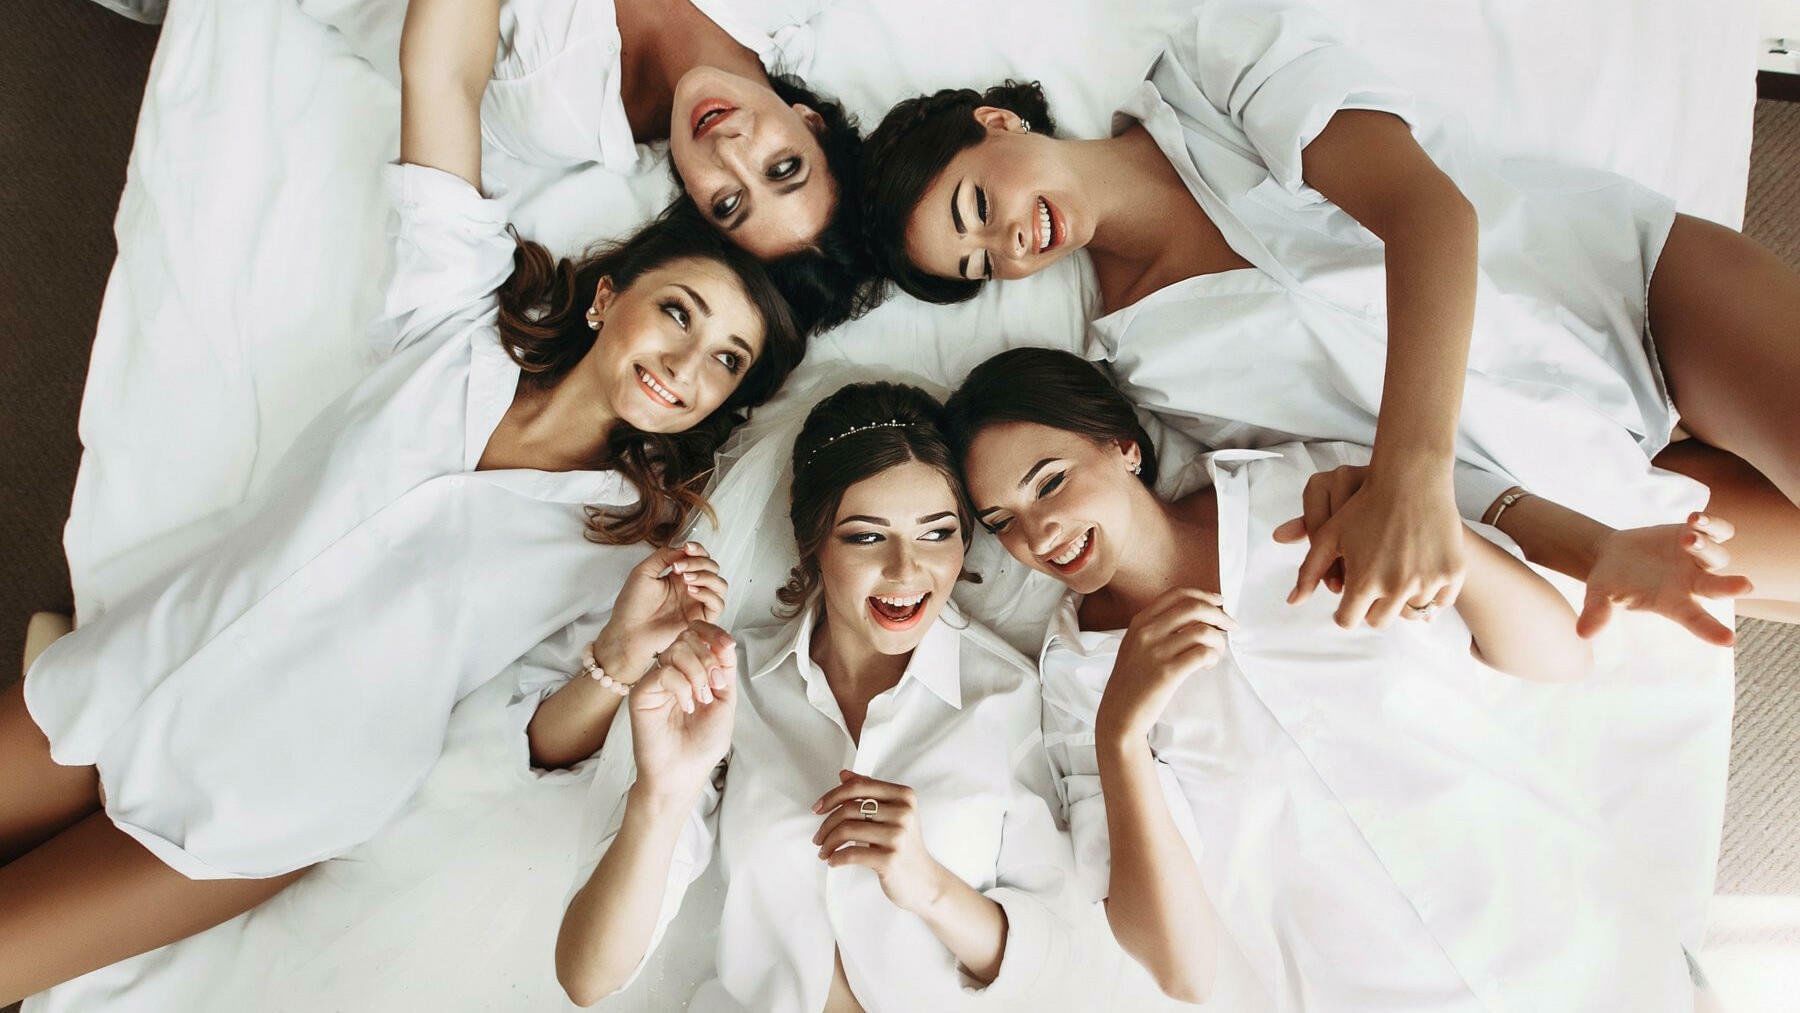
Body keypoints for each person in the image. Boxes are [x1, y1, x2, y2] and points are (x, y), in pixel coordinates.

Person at [0, 0, 805, 1000]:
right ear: (610, 297)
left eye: (724, 362)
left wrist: (619, 657)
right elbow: (441, 69)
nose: (685, 363)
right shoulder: (451, 320)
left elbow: (545, 737)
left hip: (270, 793)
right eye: (679, 313)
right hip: (144, 662)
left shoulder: (630, 545)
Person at [861, 0, 1800, 630]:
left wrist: (1411, 473)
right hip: (1598, 481)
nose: (1014, 247)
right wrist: (1585, 542)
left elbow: (1430, 217)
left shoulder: (1208, 78)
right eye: (983, 266)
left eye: (978, 208)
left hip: (1628, 294)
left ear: (996, 124)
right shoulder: (1150, 366)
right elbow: (1365, 484)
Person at [940, 347, 1700, 1008]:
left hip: (1580, 941)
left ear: (1120, 444)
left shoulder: (1299, 489)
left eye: (1049, 483)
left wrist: (1441, 537)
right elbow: (1182, 967)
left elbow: (1559, 654)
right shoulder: (1078, 681)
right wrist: (1122, 735)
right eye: (1001, 520)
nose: (1036, 534)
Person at [542, 381, 1079, 1011]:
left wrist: (928, 885)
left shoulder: (1009, 692)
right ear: (813, 540)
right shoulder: (726, 682)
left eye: (937, 534)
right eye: (865, 536)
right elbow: (587, 977)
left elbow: (1056, 964)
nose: (907, 571)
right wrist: (661, 795)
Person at [395, 0, 881, 331]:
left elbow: (442, 73)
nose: (730, 150)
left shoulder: (549, 108)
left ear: (695, 203)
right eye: (782, 168)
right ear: (812, 122)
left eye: (729, 202)